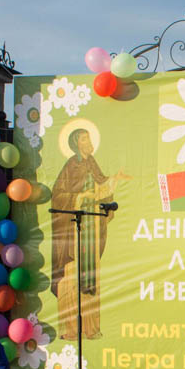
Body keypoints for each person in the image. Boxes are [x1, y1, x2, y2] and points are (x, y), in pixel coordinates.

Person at [50, 128, 129, 340]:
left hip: (91, 230)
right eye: (84, 139)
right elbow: (58, 195)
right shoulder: (71, 165)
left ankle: (91, 328)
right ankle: (72, 329)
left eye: (89, 138)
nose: (88, 142)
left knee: (90, 277)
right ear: (76, 143)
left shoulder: (91, 162)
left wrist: (114, 179)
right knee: (71, 277)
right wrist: (78, 196)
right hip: (74, 232)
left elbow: (101, 187)